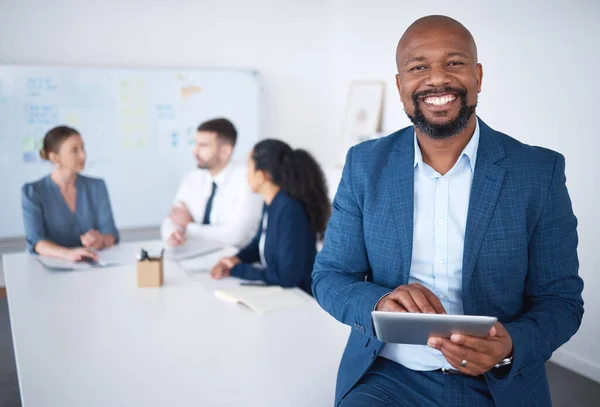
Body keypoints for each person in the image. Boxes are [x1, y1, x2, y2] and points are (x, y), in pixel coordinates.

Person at [312, 15, 584, 407]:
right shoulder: (364, 165)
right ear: (400, 85)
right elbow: (330, 276)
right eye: (418, 66)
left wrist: (509, 345)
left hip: (498, 383)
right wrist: (379, 303)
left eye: (453, 63)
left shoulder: (538, 172)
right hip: (388, 379)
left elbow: (561, 301)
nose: (436, 79)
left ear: (478, 76)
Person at [210, 139, 330, 295]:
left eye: (249, 168)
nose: (246, 175)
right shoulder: (272, 202)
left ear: (262, 176)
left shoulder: (289, 208)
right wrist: (235, 259)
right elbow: (258, 243)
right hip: (282, 292)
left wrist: (237, 270)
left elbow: (287, 276)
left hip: (300, 297)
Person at [21, 126, 119, 262]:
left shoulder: (97, 186)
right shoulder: (33, 192)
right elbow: (36, 241)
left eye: (83, 148)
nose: (83, 155)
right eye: (75, 150)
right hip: (48, 268)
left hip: (92, 266)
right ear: (54, 157)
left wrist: (100, 239)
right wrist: (68, 254)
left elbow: (111, 234)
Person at [161, 118, 263, 248]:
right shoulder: (192, 177)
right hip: (191, 255)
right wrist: (173, 233)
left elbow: (235, 236)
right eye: (195, 144)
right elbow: (173, 218)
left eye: (203, 146)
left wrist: (188, 227)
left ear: (225, 151)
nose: (195, 151)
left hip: (231, 261)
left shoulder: (247, 180)